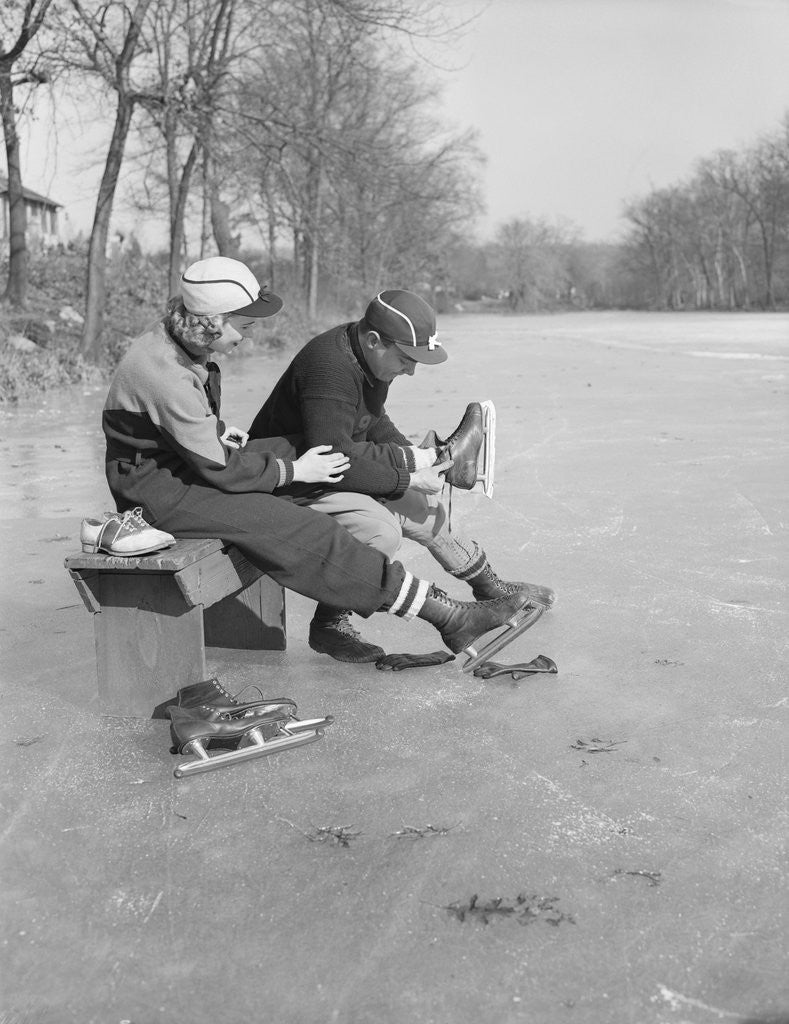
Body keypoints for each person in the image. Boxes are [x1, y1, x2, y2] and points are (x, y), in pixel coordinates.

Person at [102, 257, 531, 664]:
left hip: (182, 467)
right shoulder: (167, 373)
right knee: (295, 528)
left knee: (366, 503)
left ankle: (456, 579)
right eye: (245, 325)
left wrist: (216, 431)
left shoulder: (180, 341)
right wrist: (294, 470)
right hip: (160, 492)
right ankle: (448, 617)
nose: (248, 336)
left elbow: (182, 430)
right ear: (214, 320)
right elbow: (218, 465)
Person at [247, 288, 555, 663]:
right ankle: (329, 624)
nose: (410, 370)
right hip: (289, 479)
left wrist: (415, 460)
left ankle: (488, 587)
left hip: (332, 468)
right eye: (406, 359)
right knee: (381, 531)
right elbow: (334, 456)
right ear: (374, 340)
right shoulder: (329, 367)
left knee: (424, 506)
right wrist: (410, 468)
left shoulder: (370, 357)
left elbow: (373, 421)